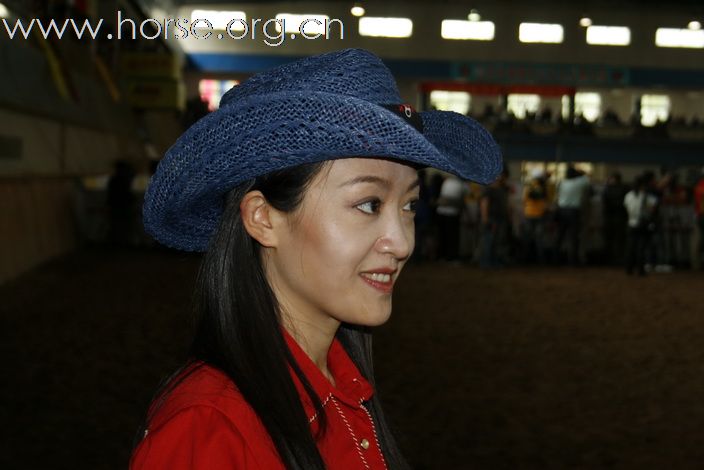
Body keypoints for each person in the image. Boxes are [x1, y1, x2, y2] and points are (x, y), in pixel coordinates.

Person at [130, 49, 502, 470]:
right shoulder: (210, 430)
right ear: (262, 217)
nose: (401, 243)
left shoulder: (340, 390)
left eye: (410, 206)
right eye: (368, 204)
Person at [554, 165, 590, 265]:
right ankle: (572, 261)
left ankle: (555, 259)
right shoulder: (580, 182)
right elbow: (587, 178)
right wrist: (580, 172)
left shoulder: (561, 183)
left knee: (560, 236)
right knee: (573, 237)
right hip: (574, 212)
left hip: (561, 211)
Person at [624, 175, 658, 276]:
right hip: (642, 224)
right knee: (641, 248)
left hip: (631, 223)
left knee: (630, 247)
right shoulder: (647, 196)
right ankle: (640, 270)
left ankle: (629, 268)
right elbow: (652, 208)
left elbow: (626, 207)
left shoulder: (629, 195)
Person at [479, 168, 510, 268]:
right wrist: (485, 218)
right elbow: (484, 203)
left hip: (499, 218)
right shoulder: (490, 189)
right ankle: (486, 262)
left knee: (496, 241)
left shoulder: (501, 189)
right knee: (489, 241)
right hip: (492, 218)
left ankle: (493, 261)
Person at [521, 168, 549, 263]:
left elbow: (524, 200)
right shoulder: (542, 188)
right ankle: (540, 259)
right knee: (539, 239)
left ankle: (526, 259)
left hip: (529, 213)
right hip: (538, 215)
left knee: (528, 238)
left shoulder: (528, 187)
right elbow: (544, 200)